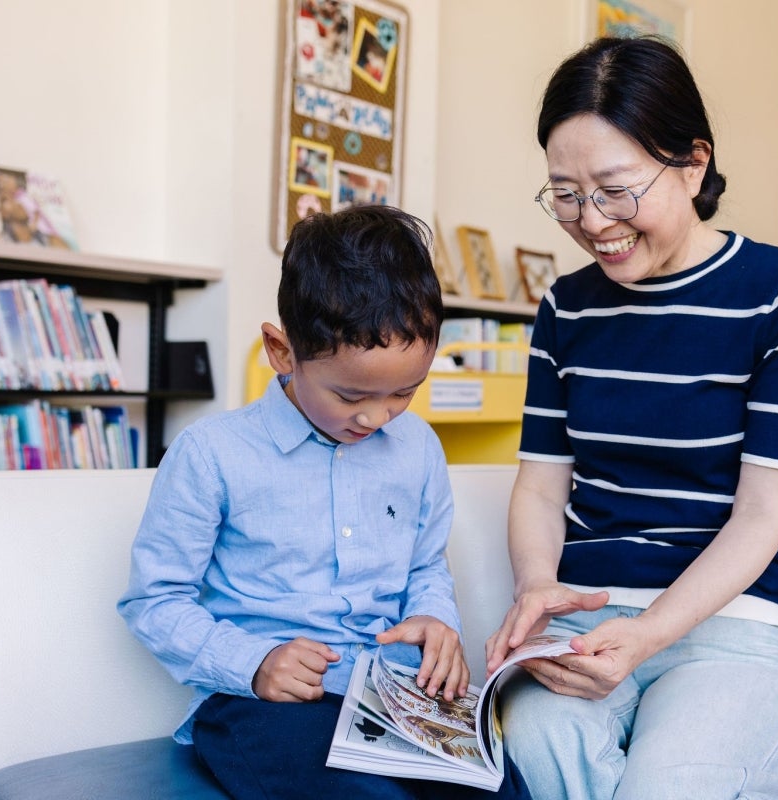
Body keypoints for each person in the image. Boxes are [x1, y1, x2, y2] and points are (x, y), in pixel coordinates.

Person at [484, 36, 778, 800]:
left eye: (616, 188)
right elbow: (542, 490)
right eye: (566, 193)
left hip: (737, 623)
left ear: (693, 164)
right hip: (585, 621)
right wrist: (536, 591)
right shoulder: (564, 307)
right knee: (537, 767)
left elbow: (762, 515)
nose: (592, 220)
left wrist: (648, 635)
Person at [118, 204, 530, 800]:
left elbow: (423, 567)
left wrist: (436, 620)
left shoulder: (417, 448)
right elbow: (154, 600)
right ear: (282, 352)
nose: (375, 416)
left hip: (394, 693)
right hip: (263, 705)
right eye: (349, 394)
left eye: (403, 393)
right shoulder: (211, 454)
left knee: (502, 789)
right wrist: (253, 663)